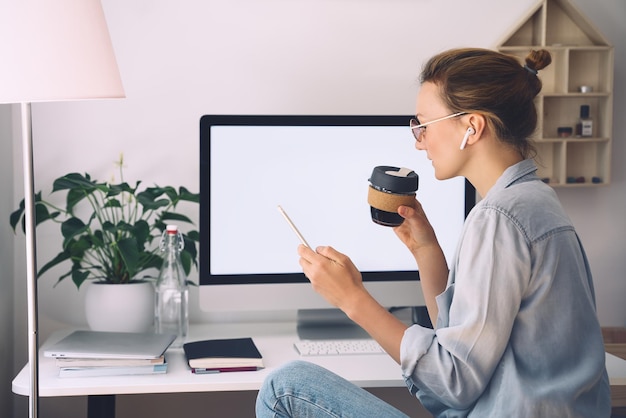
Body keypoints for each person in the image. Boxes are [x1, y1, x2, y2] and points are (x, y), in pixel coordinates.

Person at [255, 47, 611, 417]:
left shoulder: (499, 218)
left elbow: (453, 380)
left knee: (285, 387)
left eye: (424, 124)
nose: (418, 140)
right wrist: (427, 252)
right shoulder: (535, 200)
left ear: (471, 127)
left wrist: (352, 298)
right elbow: (464, 346)